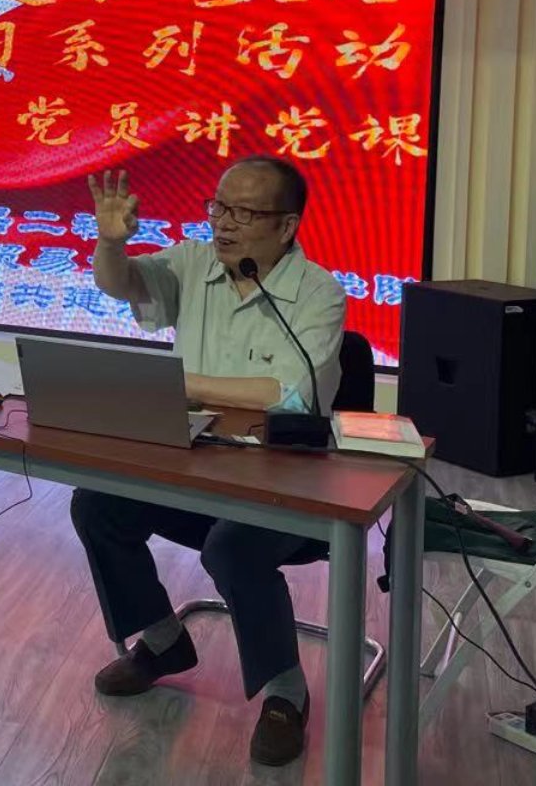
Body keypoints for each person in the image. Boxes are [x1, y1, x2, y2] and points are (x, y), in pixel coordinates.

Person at [69, 155, 346, 767]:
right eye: (218, 207)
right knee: (97, 504)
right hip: (195, 470)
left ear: (287, 226)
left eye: (243, 213)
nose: (223, 223)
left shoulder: (318, 293)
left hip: (285, 483)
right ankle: (162, 640)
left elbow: (288, 393)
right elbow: (123, 284)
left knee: (233, 547)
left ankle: (286, 691)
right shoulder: (195, 263)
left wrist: (183, 384)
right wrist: (110, 243)